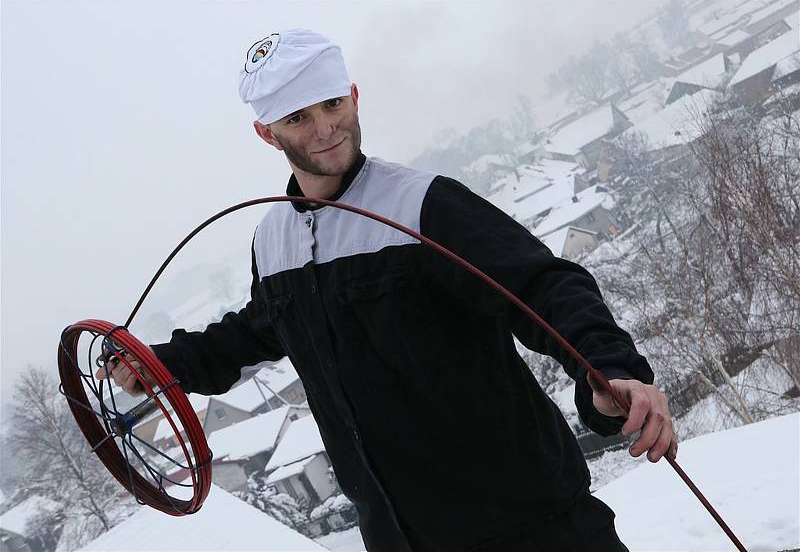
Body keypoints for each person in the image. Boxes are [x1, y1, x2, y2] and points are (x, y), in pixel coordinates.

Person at [98, 29, 677, 552]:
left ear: (353, 95)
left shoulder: (423, 204)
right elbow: (258, 329)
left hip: (534, 526)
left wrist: (608, 370)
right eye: (298, 117)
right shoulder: (272, 238)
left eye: (332, 103)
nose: (325, 128)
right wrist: (163, 363)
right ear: (266, 133)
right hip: (403, 540)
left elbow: (544, 285)